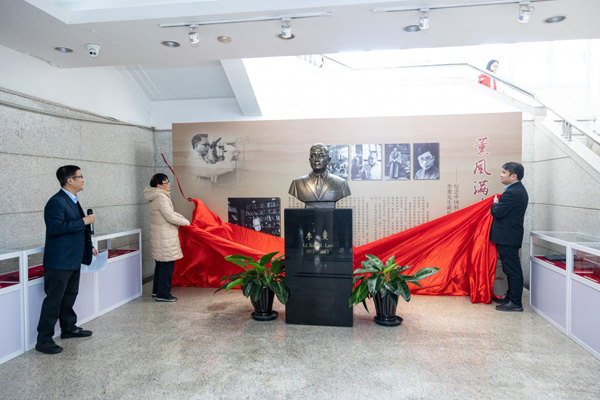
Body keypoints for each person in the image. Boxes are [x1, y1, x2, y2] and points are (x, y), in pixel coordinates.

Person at [36, 165, 97, 354]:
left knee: (70, 295)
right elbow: (55, 228)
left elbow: (78, 231)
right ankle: (44, 340)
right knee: (54, 300)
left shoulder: (73, 200)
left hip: (72, 258)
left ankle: (68, 328)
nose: (83, 180)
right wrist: (83, 221)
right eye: (80, 176)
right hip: (59, 261)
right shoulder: (56, 202)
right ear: (70, 180)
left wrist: (89, 247)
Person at [144, 173, 190, 302]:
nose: (169, 185)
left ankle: (156, 291)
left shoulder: (155, 196)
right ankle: (163, 294)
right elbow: (170, 217)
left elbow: (169, 213)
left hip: (160, 235)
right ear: (158, 185)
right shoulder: (161, 197)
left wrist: (180, 217)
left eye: (168, 182)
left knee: (160, 264)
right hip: (165, 236)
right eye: (166, 182)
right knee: (167, 265)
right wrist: (186, 222)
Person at [490, 162, 529, 312]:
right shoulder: (517, 190)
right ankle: (511, 297)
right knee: (510, 268)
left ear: (513, 176)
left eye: (503, 172)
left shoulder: (512, 192)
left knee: (512, 270)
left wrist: (495, 204)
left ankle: (515, 302)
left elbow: (497, 212)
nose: (501, 175)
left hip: (508, 237)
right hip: (509, 236)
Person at [289, 143, 351, 208]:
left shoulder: (341, 183)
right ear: (309, 160)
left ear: (328, 160)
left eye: (321, 156)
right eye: (313, 156)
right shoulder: (297, 183)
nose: (316, 160)